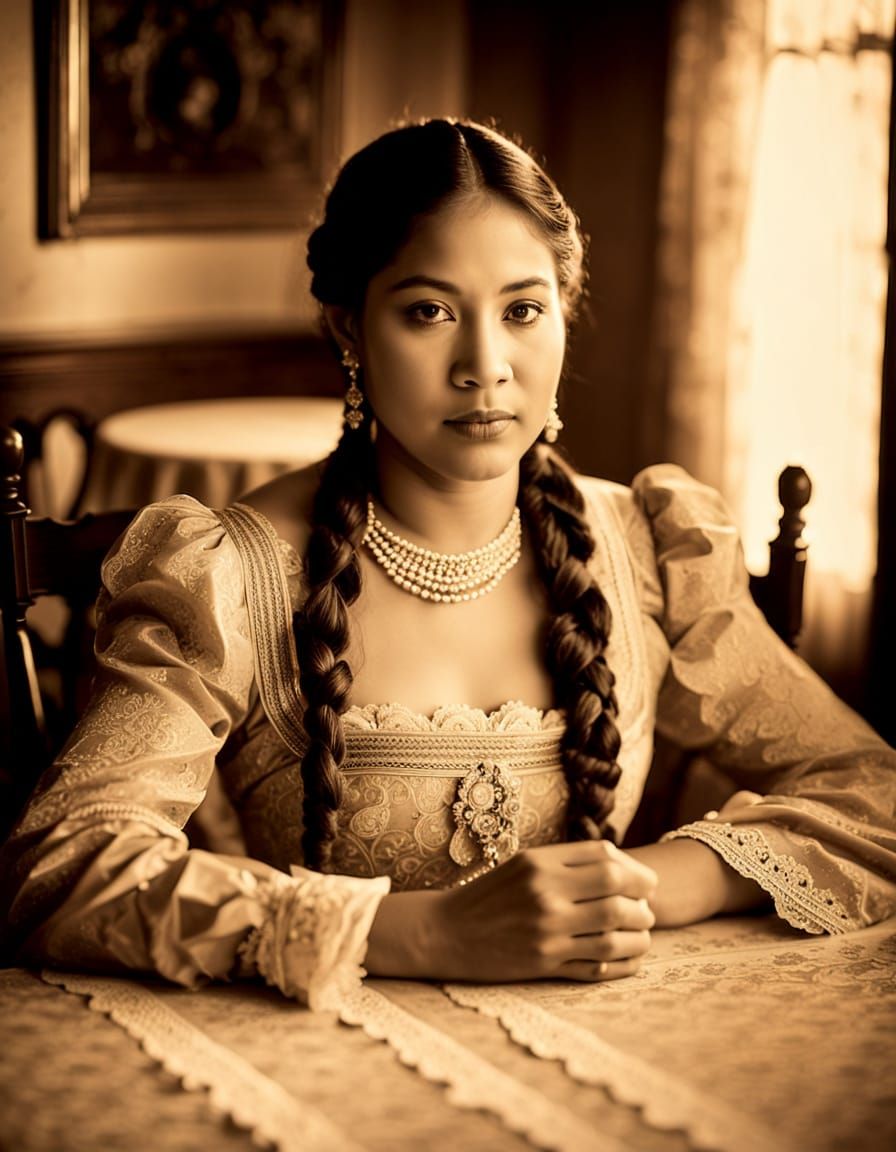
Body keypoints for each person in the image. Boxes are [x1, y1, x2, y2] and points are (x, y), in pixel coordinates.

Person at [1, 119, 894, 1011]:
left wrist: (651, 883)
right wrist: (423, 931)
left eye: (523, 310)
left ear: (564, 314)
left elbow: (872, 791)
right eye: (429, 311)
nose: (485, 367)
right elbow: (64, 866)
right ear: (350, 327)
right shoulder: (235, 574)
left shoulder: (646, 550)